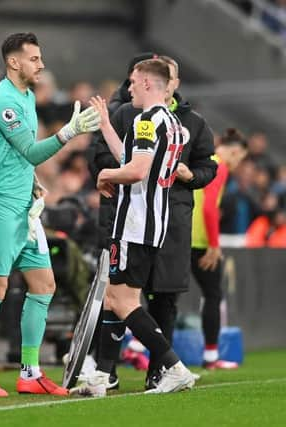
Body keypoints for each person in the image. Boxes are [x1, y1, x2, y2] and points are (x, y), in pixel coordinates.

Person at [0, 32, 100, 398]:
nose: (41, 65)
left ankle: (30, 372)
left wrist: (32, 183)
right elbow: (28, 149)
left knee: (44, 285)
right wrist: (70, 132)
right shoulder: (2, 102)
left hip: (24, 206)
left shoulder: (27, 96)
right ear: (14, 62)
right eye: (34, 59)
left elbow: (17, 160)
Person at [92, 55, 218, 389]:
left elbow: (135, 170)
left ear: (148, 83)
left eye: (133, 81)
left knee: (123, 302)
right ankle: (103, 375)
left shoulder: (147, 121)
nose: (129, 87)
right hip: (153, 221)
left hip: (134, 222)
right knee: (114, 299)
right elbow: (132, 158)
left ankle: (172, 365)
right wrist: (106, 125)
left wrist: (104, 174)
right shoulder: (173, 124)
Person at [188, 128, 248, 369]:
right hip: (200, 241)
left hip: (181, 236)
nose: (238, 164)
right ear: (234, 152)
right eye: (240, 159)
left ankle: (140, 348)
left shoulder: (202, 160)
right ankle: (211, 356)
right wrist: (214, 245)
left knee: (163, 295)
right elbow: (210, 208)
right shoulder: (219, 166)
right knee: (213, 295)